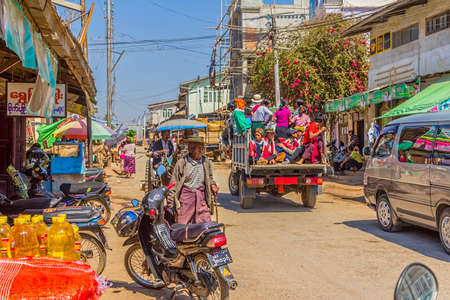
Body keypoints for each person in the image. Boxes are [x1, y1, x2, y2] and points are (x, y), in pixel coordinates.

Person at [167, 135, 219, 224]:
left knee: (205, 225)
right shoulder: (182, 163)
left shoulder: (206, 162)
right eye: (199, 148)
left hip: (201, 198)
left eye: (202, 148)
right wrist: (171, 204)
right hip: (186, 199)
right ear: (191, 149)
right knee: (183, 227)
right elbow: (173, 183)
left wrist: (212, 184)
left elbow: (209, 177)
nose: (202, 150)